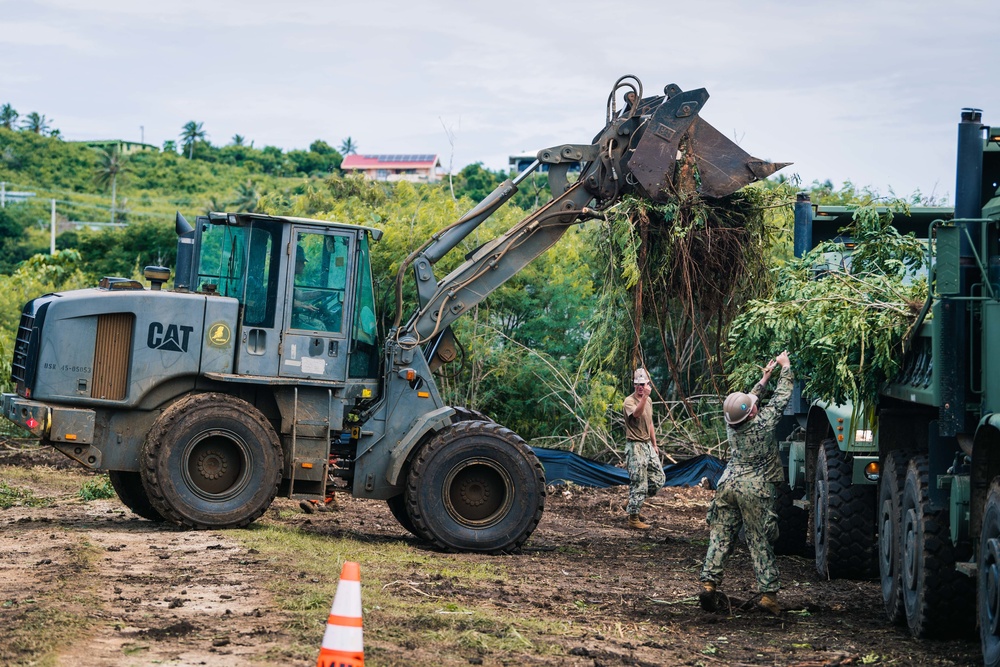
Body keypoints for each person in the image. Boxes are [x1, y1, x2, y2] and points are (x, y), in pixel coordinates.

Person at [699, 350, 793, 615]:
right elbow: (782, 398)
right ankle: (768, 596)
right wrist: (785, 368)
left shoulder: (732, 425)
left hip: (728, 484)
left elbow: (745, 405)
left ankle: (708, 584)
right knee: (759, 540)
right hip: (755, 488)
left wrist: (764, 379)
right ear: (752, 414)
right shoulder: (763, 424)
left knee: (721, 536)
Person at [622, 367, 665, 530]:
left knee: (659, 479)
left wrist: (654, 444)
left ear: (648, 383)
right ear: (634, 385)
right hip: (635, 445)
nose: (640, 387)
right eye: (637, 385)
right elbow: (637, 415)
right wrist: (645, 396)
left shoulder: (649, 401)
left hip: (647, 444)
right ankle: (633, 519)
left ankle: (631, 501)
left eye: (643, 384)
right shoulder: (629, 401)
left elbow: (650, 423)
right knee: (639, 482)